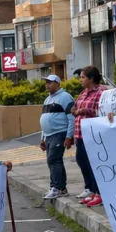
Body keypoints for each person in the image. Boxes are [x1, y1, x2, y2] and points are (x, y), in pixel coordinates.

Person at [72, 66, 106, 207]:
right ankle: (91, 190)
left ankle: (100, 193)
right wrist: (75, 110)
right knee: (82, 162)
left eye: (83, 77)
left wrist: (84, 110)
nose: (80, 80)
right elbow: (75, 108)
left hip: (93, 134)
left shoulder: (102, 92)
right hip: (80, 134)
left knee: (95, 165)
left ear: (91, 78)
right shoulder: (83, 93)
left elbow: (102, 110)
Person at [38, 74, 75, 200]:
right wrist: (42, 138)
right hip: (48, 135)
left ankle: (56, 188)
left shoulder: (65, 97)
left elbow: (71, 118)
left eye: (50, 82)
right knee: (55, 161)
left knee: (53, 160)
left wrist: (69, 136)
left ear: (58, 84)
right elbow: (44, 119)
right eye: (46, 82)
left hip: (60, 133)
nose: (47, 84)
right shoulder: (47, 99)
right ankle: (61, 188)